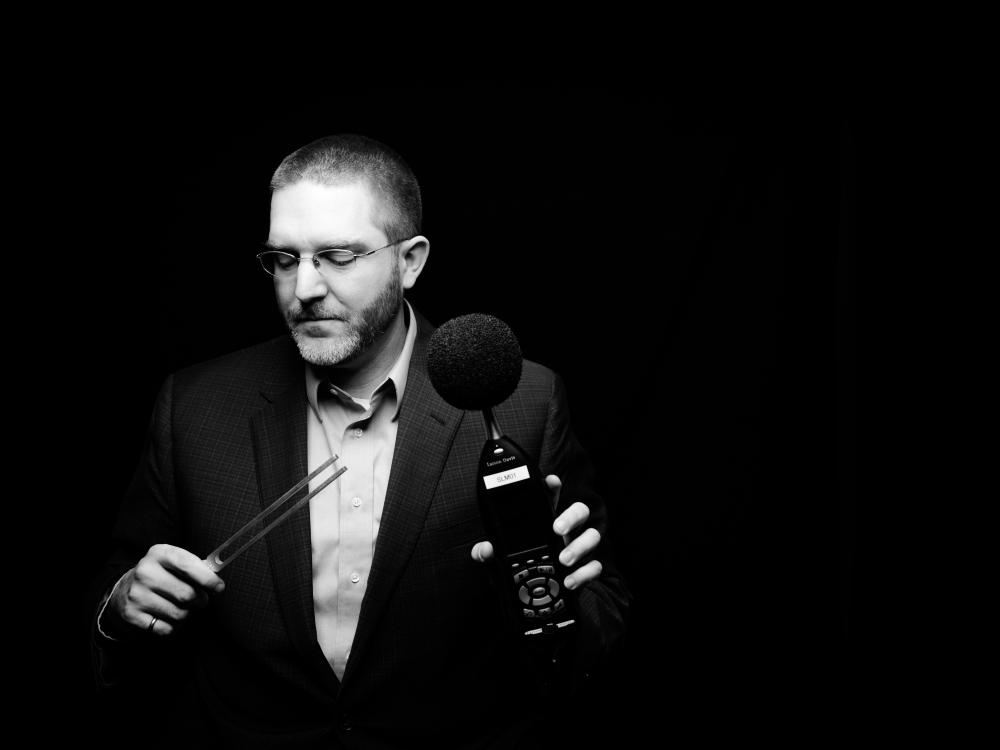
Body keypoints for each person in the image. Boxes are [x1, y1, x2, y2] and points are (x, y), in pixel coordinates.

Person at [91, 134, 630, 748]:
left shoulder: (523, 402)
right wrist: (120, 607)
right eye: (285, 259)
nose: (304, 290)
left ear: (411, 261)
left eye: (338, 256)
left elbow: (603, 626)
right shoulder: (192, 408)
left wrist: (558, 602)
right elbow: (113, 594)